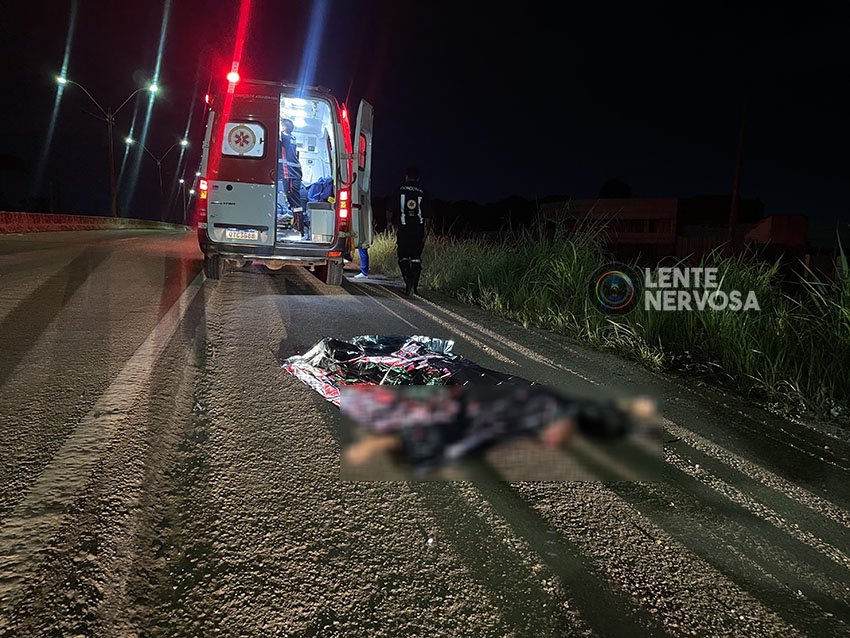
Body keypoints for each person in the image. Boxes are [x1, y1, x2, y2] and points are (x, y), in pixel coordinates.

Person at [391, 165, 428, 295]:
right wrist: (426, 232)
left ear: (406, 176)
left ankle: (408, 279)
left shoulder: (399, 190)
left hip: (404, 228)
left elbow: (390, 208)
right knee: (416, 257)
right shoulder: (423, 191)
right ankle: (415, 286)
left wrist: (391, 224)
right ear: (418, 178)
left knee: (403, 256)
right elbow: (429, 214)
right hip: (418, 229)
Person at [280, 119, 304, 233]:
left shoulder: (285, 137)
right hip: (294, 173)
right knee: (294, 201)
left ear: (284, 128)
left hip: (290, 174)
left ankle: (299, 228)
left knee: (294, 201)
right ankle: (298, 226)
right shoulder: (292, 138)